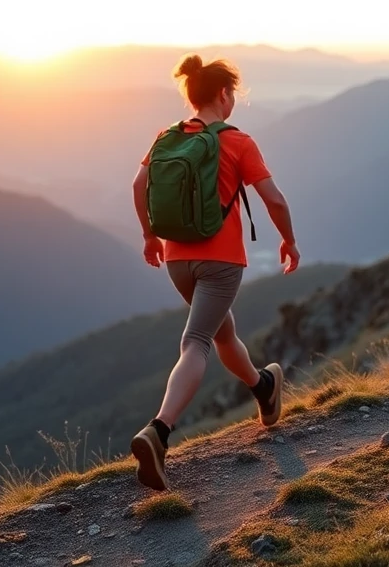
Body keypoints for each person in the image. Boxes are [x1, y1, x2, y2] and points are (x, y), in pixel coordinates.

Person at [129, 54, 301, 491]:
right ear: (223, 95)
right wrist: (289, 241)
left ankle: (263, 386)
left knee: (222, 333)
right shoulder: (238, 141)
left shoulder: (167, 137)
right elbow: (274, 200)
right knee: (196, 342)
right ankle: (159, 431)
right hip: (221, 262)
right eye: (232, 96)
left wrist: (150, 237)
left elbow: (138, 186)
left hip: (176, 260)